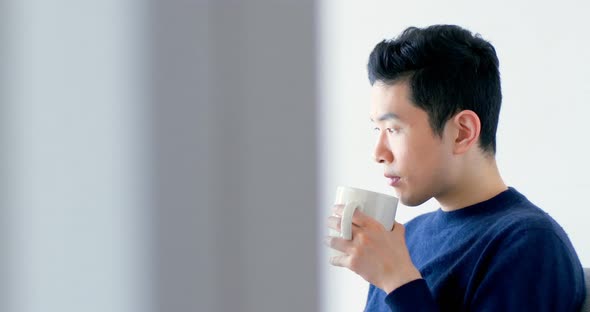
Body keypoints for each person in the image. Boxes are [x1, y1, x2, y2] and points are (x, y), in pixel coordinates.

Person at [325, 24, 586, 311]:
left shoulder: (529, 243)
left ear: (462, 132)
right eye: (378, 129)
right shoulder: (404, 239)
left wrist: (398, 281)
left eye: (394, 129)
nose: (378, 153)